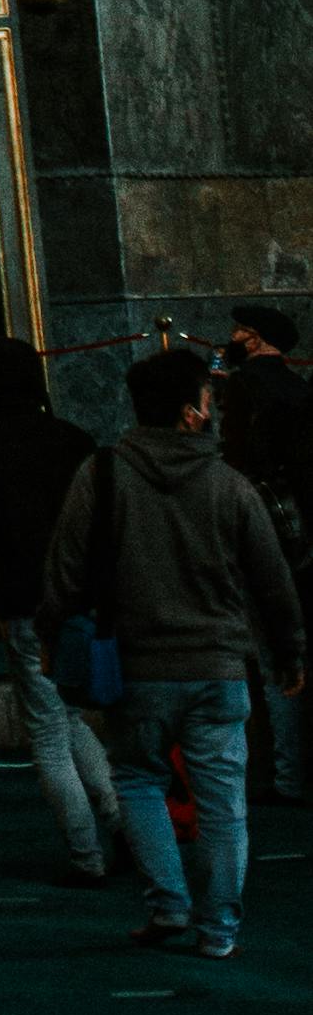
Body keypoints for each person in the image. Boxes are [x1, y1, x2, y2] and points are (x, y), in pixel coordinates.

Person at [44, 340, 305, 966]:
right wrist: (290, 652)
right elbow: (273, 579)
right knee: (222, 798)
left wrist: (53, 637)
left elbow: (64, 569)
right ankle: (219, 926)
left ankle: (167, 903)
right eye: (209, 399)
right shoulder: (228, 484)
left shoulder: (102, 473)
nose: (213, 408)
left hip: (135, 665)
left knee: (137, 779)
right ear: (192, 412)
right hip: (219, 665)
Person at [0, 338, 121, 885]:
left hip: (23, 600)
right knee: (70, 718)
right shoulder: (74, 440)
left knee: (46, 728)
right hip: (83, 599)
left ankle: (87, 852)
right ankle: (121, 820)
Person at [218, 304, 313, 800]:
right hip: (301, 529)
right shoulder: (300, 390)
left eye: (239, 330)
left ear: (253, 339)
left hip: (262, 527)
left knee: (272, 649)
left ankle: (286, 773)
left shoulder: (243, 388)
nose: (232, 337)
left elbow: (239, 458)